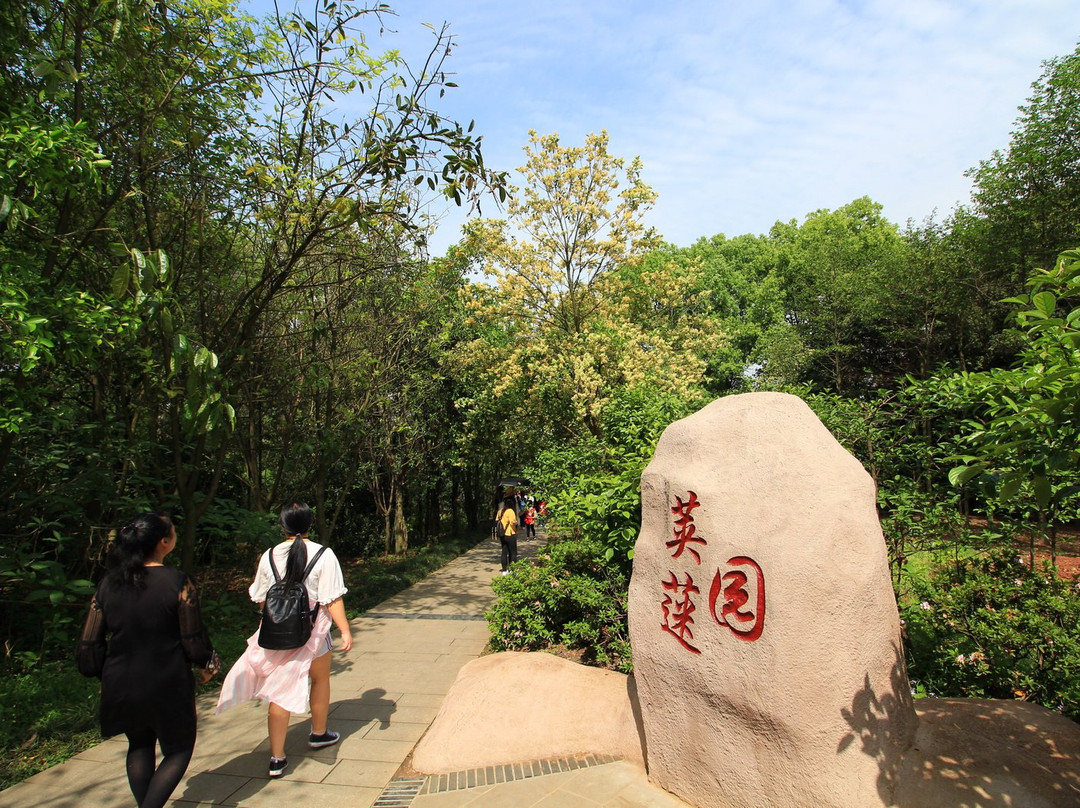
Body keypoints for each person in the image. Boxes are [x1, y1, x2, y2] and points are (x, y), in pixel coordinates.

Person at [77, 512, 219, 808]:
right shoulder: (178, 581)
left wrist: (100, 674)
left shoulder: (108, 584)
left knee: (139, 745)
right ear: (164, 543)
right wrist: (209, 662)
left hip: (121, 680)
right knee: (179, 749)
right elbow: (191, 639)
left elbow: (90, 640)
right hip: (167, 679)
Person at [216, 500, 353, 779]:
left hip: (277, 633)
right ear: (310, 523)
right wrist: (345, 630)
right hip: (313, 634)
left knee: (278, 690)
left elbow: (261, 597)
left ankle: (277, 758)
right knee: (321, 679)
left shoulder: (268, 555)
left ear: (282, 526)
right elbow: (332, 598)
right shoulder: (324, 554)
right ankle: (318, 733)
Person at [496, 497, 519, 575]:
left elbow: (497, 520)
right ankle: (513, 570)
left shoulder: (500, 511)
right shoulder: (510, 511)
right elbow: (513, 522)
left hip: (502, 534)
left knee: (504, 551)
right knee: (513, 553)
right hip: (510, 533)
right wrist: (516, 523)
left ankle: (504, 570)